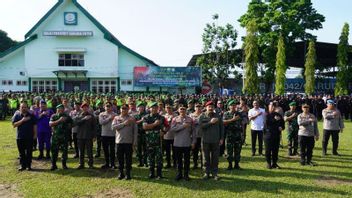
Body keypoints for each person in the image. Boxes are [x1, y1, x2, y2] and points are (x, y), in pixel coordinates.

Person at [169, 105, 196, 181]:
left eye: (184, 109)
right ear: (178, 110)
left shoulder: (190, 119)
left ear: (186, 110)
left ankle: (186, 174)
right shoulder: (175, 119)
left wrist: (193, 142)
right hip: (177, 143)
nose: (182, 111)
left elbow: (193, 132)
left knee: (187, 160)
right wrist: (182, 126)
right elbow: (172, 129)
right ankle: (179, 173)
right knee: (179, 160)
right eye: (181, 109)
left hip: (187, 143)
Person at [199, 101, 224, 180]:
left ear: (214, 108)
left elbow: (222, 128)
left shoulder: (218, 116)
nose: (210, 108)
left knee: (215, 157)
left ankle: (215, 173)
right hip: (205, 140)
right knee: (205, 157)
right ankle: (206, 173)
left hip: (215, 140)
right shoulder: (202, 116)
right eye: (209, 107)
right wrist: (210, 122)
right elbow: (201, 126)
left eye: (212, 107)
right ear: (206, 107)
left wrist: (221, 138)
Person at [112, 104, 137, 180]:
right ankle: (121, 173)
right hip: (119, 141)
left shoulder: (132, 119)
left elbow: (135, 131)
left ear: (128, 109)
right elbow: (113, 127)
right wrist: (123, 124)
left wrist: (135, 142)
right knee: (120, 159)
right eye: (122, 109)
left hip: (128, 142)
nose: (123, 110)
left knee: (128, 159)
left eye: (125, 109)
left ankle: (128, 174)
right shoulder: (116, 118)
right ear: (120, 110)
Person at [143, 102, 166, 179]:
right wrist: (154, 124)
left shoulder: (161, 117)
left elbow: (167, 126)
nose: (154, 109)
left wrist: (164, 132)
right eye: (152, 108)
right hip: (149, 140)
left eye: (155, 108)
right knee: (150, 157)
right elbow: (145, 127)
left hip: (158, 141)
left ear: (157, 109)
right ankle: (151, 173)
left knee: (159, 158)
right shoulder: (146, 117)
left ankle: (159, 174)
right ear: (149, 109)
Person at [12, 102, 37, 171]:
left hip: (29, 137)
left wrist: (35, 134)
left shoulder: (31, 115)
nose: (23, 108)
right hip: (20, 137)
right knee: (21, 153)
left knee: (29, 152)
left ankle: (29, 166)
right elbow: (14, 125)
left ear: (27, 108)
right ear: (20, 107)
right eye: (22, 107)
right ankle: (22, 166)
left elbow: (35, 125)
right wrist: (22, 120)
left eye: (25, 107)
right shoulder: (17, 115)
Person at [49, 104, 73, 170]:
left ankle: (64, 164)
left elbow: (72, 123)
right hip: (55, 137)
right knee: (54, 151)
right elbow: (50, 124)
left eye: (61, 109)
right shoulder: (53, 116)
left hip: (64, 137)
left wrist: (68, 126)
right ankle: (53, 165)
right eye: (59, 109)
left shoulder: (67, 116)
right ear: (57, 109)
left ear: (63, 109)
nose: (60, 110)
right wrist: (59, 120)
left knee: (64, 151)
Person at [223, 100, 243, 170]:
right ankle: (230, 165)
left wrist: (242, 133)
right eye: (232, 105)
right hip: (230, 135)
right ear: (229, 106)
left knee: (238, 150)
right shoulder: (226, 114)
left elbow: (242, 123)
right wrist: (232, 119)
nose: (233, 106)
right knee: (229, 151)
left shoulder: (239, 114)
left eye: (234, 105)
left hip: (238, 135)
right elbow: (223, 122)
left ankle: (237, 165)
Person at [76, 102, 97, 169]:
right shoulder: (79, 115)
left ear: (88, 108)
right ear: (81, 108)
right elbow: (76, 123)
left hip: (88, 136)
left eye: (86, 107)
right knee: (81, 151)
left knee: (89, 151)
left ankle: (90, 164)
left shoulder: (91, 116)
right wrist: (84, 119)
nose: (85, 108)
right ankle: (81, 164)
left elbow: (94, 127)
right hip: (80, 136)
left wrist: (94, 136)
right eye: (83, 107)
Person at [264, 102, 285, 169]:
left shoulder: (278, 115)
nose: (273, 107)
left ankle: (274, 163)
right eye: (271, 106)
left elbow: (282, 124)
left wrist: (282, 127)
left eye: (274, 106)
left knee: (275, 150)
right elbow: (267, 124)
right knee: (268, 150)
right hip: (268, 135)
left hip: (276, 135)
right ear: (268, 107)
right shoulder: (266, 115)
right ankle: (268, 163)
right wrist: (274, 120)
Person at [99, 102, 117, 169]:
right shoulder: (101, 114)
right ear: (104, 107)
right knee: (105, 150)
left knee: (112, 150)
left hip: (112, 134)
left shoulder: (115, 115)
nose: (108, 107)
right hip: (104, 134)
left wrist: (112, 118)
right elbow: (101, 122)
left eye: (109, 106)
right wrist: (109, 118)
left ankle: (112, 164)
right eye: (107, 106)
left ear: (112, 107)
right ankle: (106, 163)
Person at [162, 104, 177, 168]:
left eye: (169, 108)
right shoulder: (164, 116)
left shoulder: (176, 116)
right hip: (166, 135)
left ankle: (175, 163)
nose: (168, 109)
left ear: (172, 108)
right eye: (167, 108)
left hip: (174, 136)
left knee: (175, 151)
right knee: (167, 151)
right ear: (165, 109)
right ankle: (168, 163)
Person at [189, 102, 203, 169]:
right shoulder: (191, 115)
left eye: (199, 106)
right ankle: (195, 164)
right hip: (194, 136)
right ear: (194, 108)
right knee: (194, 151)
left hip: (202, 136)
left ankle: (203, 164)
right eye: (197, 106)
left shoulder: (204, 115)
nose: (198, 108)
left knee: (202, 151)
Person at [134, 101, 148, 167]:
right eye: (139, 107)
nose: (141, 108)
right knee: (138, 149)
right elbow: (134, 123)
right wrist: (141, 120)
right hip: (138, 133)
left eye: (142, 107)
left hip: (145, 133)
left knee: (145, 148)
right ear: (137, 108)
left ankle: (145, 161)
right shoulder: (135, 115)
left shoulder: (147, 115)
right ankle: (140, 162)